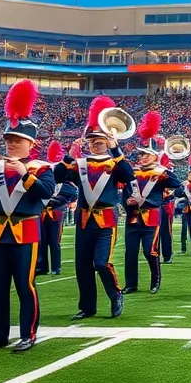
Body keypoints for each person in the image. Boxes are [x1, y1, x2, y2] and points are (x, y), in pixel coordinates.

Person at [0, 80, 56, 353]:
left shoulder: (41, 168)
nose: (12, 144)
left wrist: (25, 174)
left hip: (26, 232)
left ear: (30, 143)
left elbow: (45, 193)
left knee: (25, 285)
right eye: (8, 140)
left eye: (17, 140)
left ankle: (28, 334)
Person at [55, 96, 137, 320]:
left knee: (101, 263)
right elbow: (58, 176)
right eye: (92, 141)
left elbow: (128, 176)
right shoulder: (81, 164)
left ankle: (115, 294)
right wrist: (69, 155)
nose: (95, 144)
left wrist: (115, 149)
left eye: (99, 141)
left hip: (106, 221)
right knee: (82, 267)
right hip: (84, 220)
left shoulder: (114, 163)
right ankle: (87, 307)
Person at [123, 113, 181, 295]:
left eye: (145, 154)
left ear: (154, 156)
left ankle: (155, 280)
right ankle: (131, 284)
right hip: (133, 217)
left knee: (150, 251)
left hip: (151, 217)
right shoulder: (133, 172)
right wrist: (126, 204)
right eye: (140, 154)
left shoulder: (161, 173)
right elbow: (125, 192)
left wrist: (164, 170)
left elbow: (177, 185)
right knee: (130, 252)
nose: (142, 157)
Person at [37, 141, 78, 276]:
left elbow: (69, 193)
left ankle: (56, 267)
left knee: (54, 240)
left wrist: (52, 201)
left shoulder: (64, 177)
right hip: (43, 211)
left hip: (56, 211)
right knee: (42, 240)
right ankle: (42, 266)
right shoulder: (44, 172)